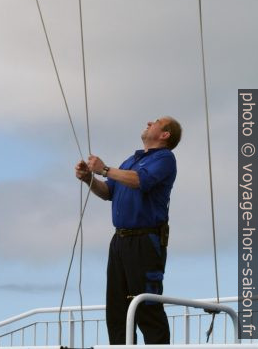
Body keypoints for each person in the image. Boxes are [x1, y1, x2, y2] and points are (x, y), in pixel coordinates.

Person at [75, 116, 181, 345]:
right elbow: (107, 192)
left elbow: (140, 181)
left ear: (165, 135)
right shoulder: (130, 161)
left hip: (145, 241)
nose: (149, 121)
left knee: (146, 308)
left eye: (156, 122)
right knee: (117, 311)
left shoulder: (165, 158)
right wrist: (88, 179)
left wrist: (104, 168)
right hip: (120, 241)